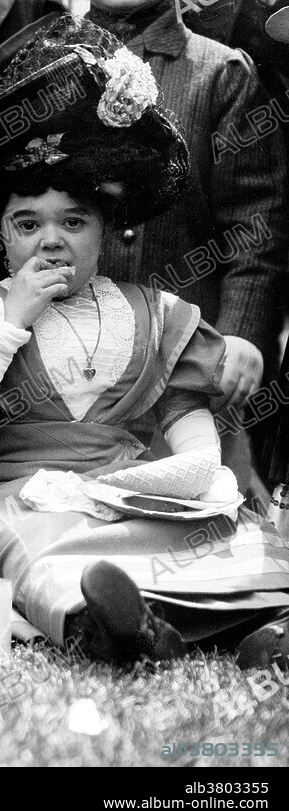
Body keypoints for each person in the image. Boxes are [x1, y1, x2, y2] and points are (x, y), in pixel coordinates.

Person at [0, 15, 289, 668]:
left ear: (109, 232)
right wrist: (7, 324)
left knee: (224, 533)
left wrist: (158, 486)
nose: (51, 239)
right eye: (27, 223)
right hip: (7, 494)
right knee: (22, 540)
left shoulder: (161, 316)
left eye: (74, 221)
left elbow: (196, 454)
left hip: (124, 487)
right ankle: (104, 624)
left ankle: (251, 624)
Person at [85, 0, 289, 500]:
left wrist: (240, 334)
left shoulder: (221, 72)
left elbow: (255, 225)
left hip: (190, 358)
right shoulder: (48, 69)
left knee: (195, 511)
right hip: (71, 358)